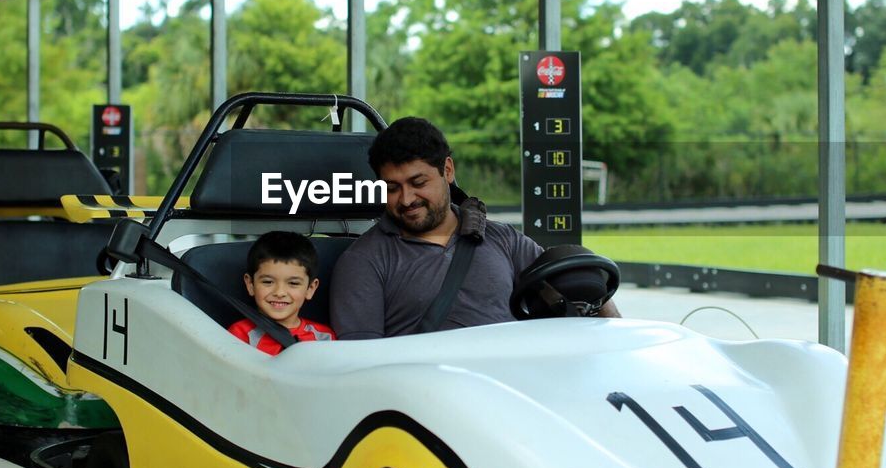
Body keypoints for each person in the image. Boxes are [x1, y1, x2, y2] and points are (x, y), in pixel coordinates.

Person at [330, 117, 619, 340]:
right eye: (392, 188)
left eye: (418, 183)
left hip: (520, 389)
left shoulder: (503, 239)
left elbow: (576, 283)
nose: (406, 199)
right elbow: (360, 367)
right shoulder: (364, 261)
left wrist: (616, 339)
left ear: (448, 170)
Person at [227, 231, 336, 356]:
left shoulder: (324, 337)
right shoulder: (240, 335)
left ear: (310, 288)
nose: (279, 292)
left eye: (293, 283)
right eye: (268, 282)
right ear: (250, 284)